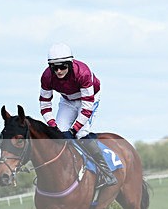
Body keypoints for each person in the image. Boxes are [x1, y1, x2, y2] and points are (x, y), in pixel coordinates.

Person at [39, 43, 117, 188]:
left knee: (80, 133)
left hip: (88, 99)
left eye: (62, 66)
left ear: (70, 63)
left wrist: (73, 130)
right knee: (60, 135)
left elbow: (86, 108)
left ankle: (107, 174)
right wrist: (53, 126)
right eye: (54, 67)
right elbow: (44, 105)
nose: (59, 71)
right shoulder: (46, 77)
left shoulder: (83, 72)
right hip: (67, 100)